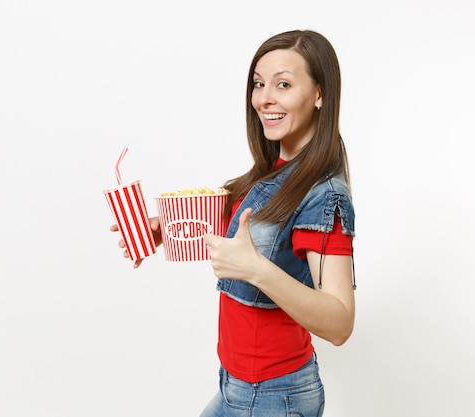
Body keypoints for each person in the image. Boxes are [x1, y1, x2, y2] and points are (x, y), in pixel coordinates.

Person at [111, 29, 356, 417]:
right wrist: (169, 225)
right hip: (235, 387)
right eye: (259, 84)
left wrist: (256, 270)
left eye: (284, 84)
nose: (264, 98)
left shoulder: (325, 195)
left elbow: (340, 323)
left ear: (319, 94)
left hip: (274, 397)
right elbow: (247, 220)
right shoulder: (273, 172)